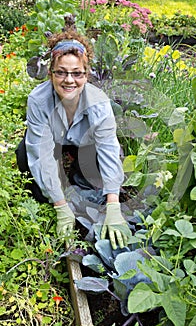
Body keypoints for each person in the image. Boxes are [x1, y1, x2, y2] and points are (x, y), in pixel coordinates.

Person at [16, 29, 131, 250]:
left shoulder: (99, 103)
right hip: (53, 143)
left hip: (85, 146)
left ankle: (79, 175)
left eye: (77, 73)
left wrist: (114, 204)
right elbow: (41, 155)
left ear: (86, 75)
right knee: (25, 157)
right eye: (61, 72)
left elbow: (108, 150)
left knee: (93, 178)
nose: (69, 80)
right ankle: (56, 194)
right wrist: (60, 205)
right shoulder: (39, 101)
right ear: (51, 73)